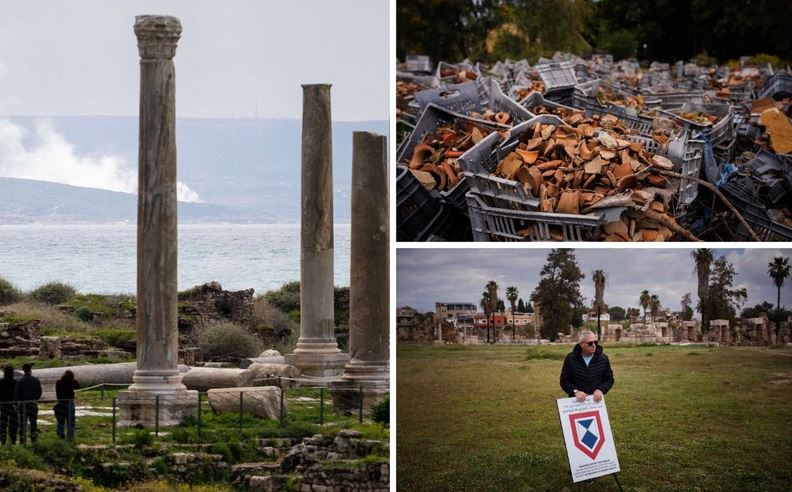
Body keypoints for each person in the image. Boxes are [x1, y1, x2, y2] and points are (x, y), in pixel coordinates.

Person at [560, 330, 614, 403]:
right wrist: (575, 391)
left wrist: (600, 389)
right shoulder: (570, 358)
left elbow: (609, 379)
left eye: (595, 342)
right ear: (582, 344)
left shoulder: (603, 358)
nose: (594, 345)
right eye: (590, 343)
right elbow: (564, 380)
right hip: (576, 403)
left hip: (596, 402)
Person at [14, 363, 42, 443]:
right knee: (33, 422)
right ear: (30, 370)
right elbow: (39, 391)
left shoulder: (20, 381)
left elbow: (17, 393)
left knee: (23, 423)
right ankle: (34, 438)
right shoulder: (36, 379)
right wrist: (35, 398)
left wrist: (16, 404)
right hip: (33, 403)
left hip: (23, 404)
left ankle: (22, 439)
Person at [54, 370, 79, 440]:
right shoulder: (71, 382)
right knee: (71, 421)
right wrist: (74, 380)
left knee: (60, 422)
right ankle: (70, 436)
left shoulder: (58, 382)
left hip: (60, 403)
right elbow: (78, 386)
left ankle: (60, 436)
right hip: (69, 402)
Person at [0, 366, 18, 444]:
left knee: (3, 422)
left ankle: (3, 438)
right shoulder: (15, 382)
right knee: (13, 423)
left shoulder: (1, 382)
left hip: (3, 404)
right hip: (13, 405)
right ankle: (13, 438)